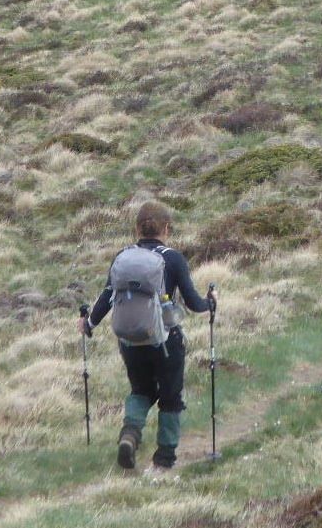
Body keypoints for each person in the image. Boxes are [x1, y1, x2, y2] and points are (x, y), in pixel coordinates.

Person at [80, 202, 214, 473]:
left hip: (129, 340)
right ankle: (164, 460)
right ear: (166, 228)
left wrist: (89, 323)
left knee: (141, 390)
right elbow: (193, 303)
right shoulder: (173, 258)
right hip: (166, 341)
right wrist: (211, 303)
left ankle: (130, 434)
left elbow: (107, 297)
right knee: (170, 397)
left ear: (137, 228)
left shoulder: (123, 257)